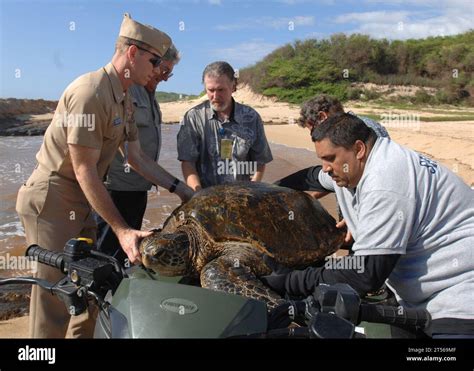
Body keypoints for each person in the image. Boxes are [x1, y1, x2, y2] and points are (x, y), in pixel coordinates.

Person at [15, 14, 193, 338]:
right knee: (55, 300)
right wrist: (123, 230)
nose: (158, 70)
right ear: (133, 53)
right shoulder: (90, 92)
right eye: (155, 61)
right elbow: (83, 169)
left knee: (92, 287)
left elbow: (136, 158)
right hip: (53, 197)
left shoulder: (123, 97)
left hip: (83, 200)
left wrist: (180, 188)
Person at [262, 113, 474, 337]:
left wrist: (289, 281)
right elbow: (310, 177)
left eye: (330, 158)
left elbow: (364, 275)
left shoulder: (386, 182)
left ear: (359, 149)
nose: (325, 168)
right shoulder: (348, 169)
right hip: (413, 295)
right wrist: (268, 192)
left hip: (458, 295)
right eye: (322, 159)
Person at [96, 43, 180, 267]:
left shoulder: (151, 95)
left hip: (139, 188)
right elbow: (133, 155)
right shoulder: (128, 90)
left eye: (170, 73)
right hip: (115, 189)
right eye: (163, 70)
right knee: (106, 256)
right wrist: (178, 187)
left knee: (128, 253)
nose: (165, 77)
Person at [177, 61, 273, 191]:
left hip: (241, 196)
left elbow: (260, 162)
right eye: (211, 90)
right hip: (206, 197)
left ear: (233, 87)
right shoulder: (193, 118)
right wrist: (197, 195)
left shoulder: (251, 118)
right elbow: (187, 162)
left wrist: (251, 190)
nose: (215, 96)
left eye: (221, 90)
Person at [275, 95, 388, 196]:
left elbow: (368, 179)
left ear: (322, 117)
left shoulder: (361, 130)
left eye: (313, 131)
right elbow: (339, 175)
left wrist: (350, 217)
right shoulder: (364, 124)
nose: (314, 136)